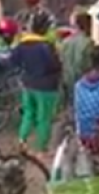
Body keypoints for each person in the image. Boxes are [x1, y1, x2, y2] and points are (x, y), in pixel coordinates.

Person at [10, 11, 62, 156]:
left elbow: (13, 60)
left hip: (28, 84)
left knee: (28, 113)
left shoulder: (23, 43)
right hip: (46, 87)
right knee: (44, 117)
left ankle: (22, 140)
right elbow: (54, 65)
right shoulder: (46, 46)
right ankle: (41, 149)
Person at [59, 12, 94, 104]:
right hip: (82, 80)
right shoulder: (88, 42)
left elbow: (61, 61)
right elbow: (88, 64)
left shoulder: (65, 42)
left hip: (66, 80)